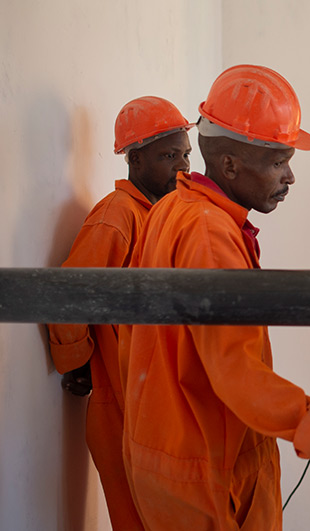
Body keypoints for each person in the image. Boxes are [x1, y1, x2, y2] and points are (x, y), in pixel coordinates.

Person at [120, 65, 310, 529]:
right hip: (207, 468)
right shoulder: (209, 236)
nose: (289, 177)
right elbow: (235, 369)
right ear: (229, 165)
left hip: (175, 449)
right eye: (277, 162)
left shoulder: (175, 208)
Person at [46, 95, 193, 530]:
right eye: (168, 156)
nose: (182, 166)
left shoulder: (161, 214)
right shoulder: (116, 216)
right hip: (118, 404)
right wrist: (77, 361)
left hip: (151, 400)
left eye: (185, 154)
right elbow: (69, 292)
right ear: (134, 159)